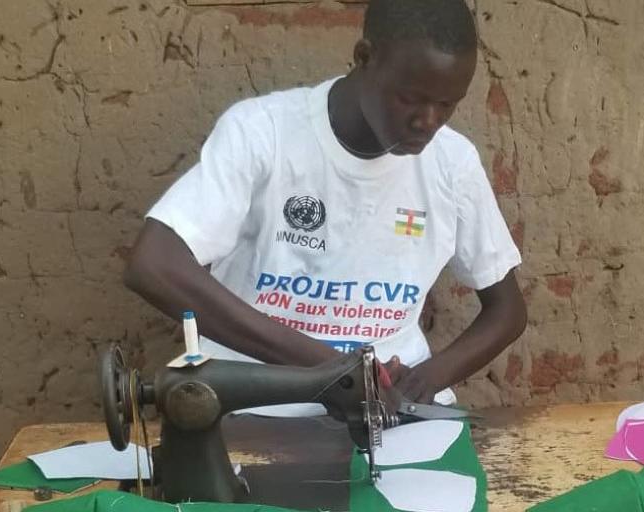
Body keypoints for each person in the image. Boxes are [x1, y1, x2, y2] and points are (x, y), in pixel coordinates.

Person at [124, 0, 527, 411]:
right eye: (410, 98)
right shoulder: (264, 134)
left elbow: (507, 311)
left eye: (447, 104)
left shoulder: (452, 164)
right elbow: (154, 264)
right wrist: (334, 371)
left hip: (388, 406)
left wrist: (426, 379)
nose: (428, 121)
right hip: (260, 401)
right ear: (364, 58)